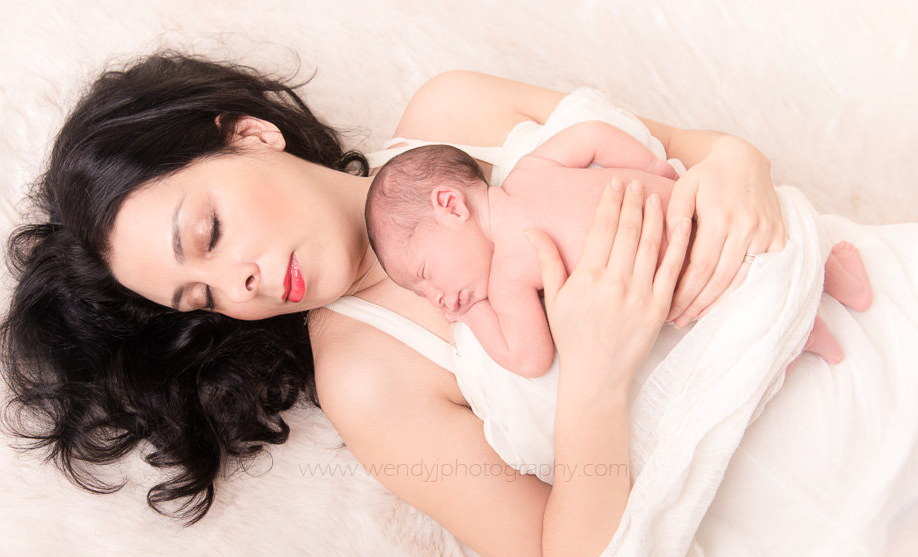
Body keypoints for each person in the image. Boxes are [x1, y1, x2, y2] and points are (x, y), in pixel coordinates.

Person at [0, 53, 918, 557]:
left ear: (249, 133)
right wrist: (596, 369)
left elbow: (695, 152)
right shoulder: (369, 379)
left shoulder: (456, 116)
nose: (242, 281)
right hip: (835, 498)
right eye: (204, 294)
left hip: (887, 311)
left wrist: (738, 174)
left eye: (208, 233)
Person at [365, 125, 871, 378]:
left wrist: (475, 312)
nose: (435, 297)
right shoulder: (530, 175)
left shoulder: (509, 273)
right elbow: (591, 138)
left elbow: (529, 358)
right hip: (686, 236)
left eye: (425, 274)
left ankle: (819, 316)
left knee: (752, 288)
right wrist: (651, 166)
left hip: (689, 248)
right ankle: (832, 289)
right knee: (761, 260)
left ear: (451, 205)